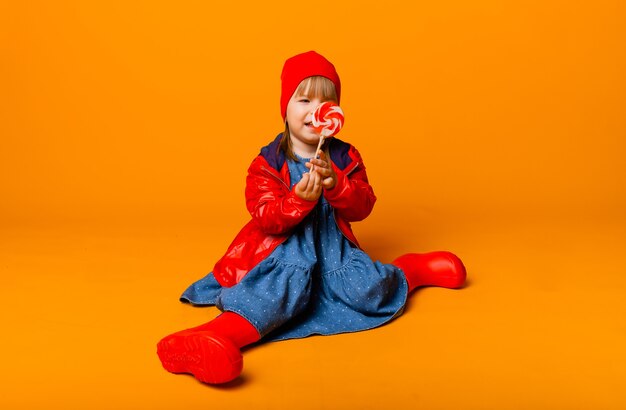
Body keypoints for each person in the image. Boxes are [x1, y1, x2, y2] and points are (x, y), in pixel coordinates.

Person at [156, 50, 467, 385]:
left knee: (369, 290)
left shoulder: (345, 156)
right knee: (274, 299)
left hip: (334, 253)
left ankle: (413, 270)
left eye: (325, 102)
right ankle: (208, 338)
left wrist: (338, 184)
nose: (314, 111)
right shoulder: (268, 163)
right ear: (285, 108)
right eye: (303, 100)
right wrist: (296, 201)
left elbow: (363, 207)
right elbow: (265, 218)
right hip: (284, 255)